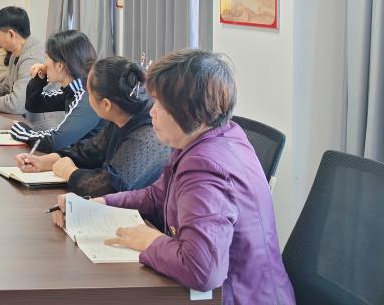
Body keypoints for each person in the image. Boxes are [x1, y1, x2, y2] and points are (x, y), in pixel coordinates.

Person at [50, 50, 294, 304]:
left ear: (191, 113)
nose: (152, 112)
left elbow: (202, 270)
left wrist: (152, 241)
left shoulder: (206, 168)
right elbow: (158, 195)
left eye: (160, 105)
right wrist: (98, 205)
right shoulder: (212, 137)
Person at [16, 56, 170, 197]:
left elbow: (108, 187)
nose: (85, 98)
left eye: (88, 93)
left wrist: (68, 171)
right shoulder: (120, 117)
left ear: (106, 104)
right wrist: (42, 162)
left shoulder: (148, 134)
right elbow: (87, 152)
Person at [9, 29, 102, 151]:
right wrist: (39, 78)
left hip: (91, 162)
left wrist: (21, 131)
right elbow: (34, 105)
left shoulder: (87, 95)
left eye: (47, 58)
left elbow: (55, 141)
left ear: (59, 65)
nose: (44, 64)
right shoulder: (73, 90)